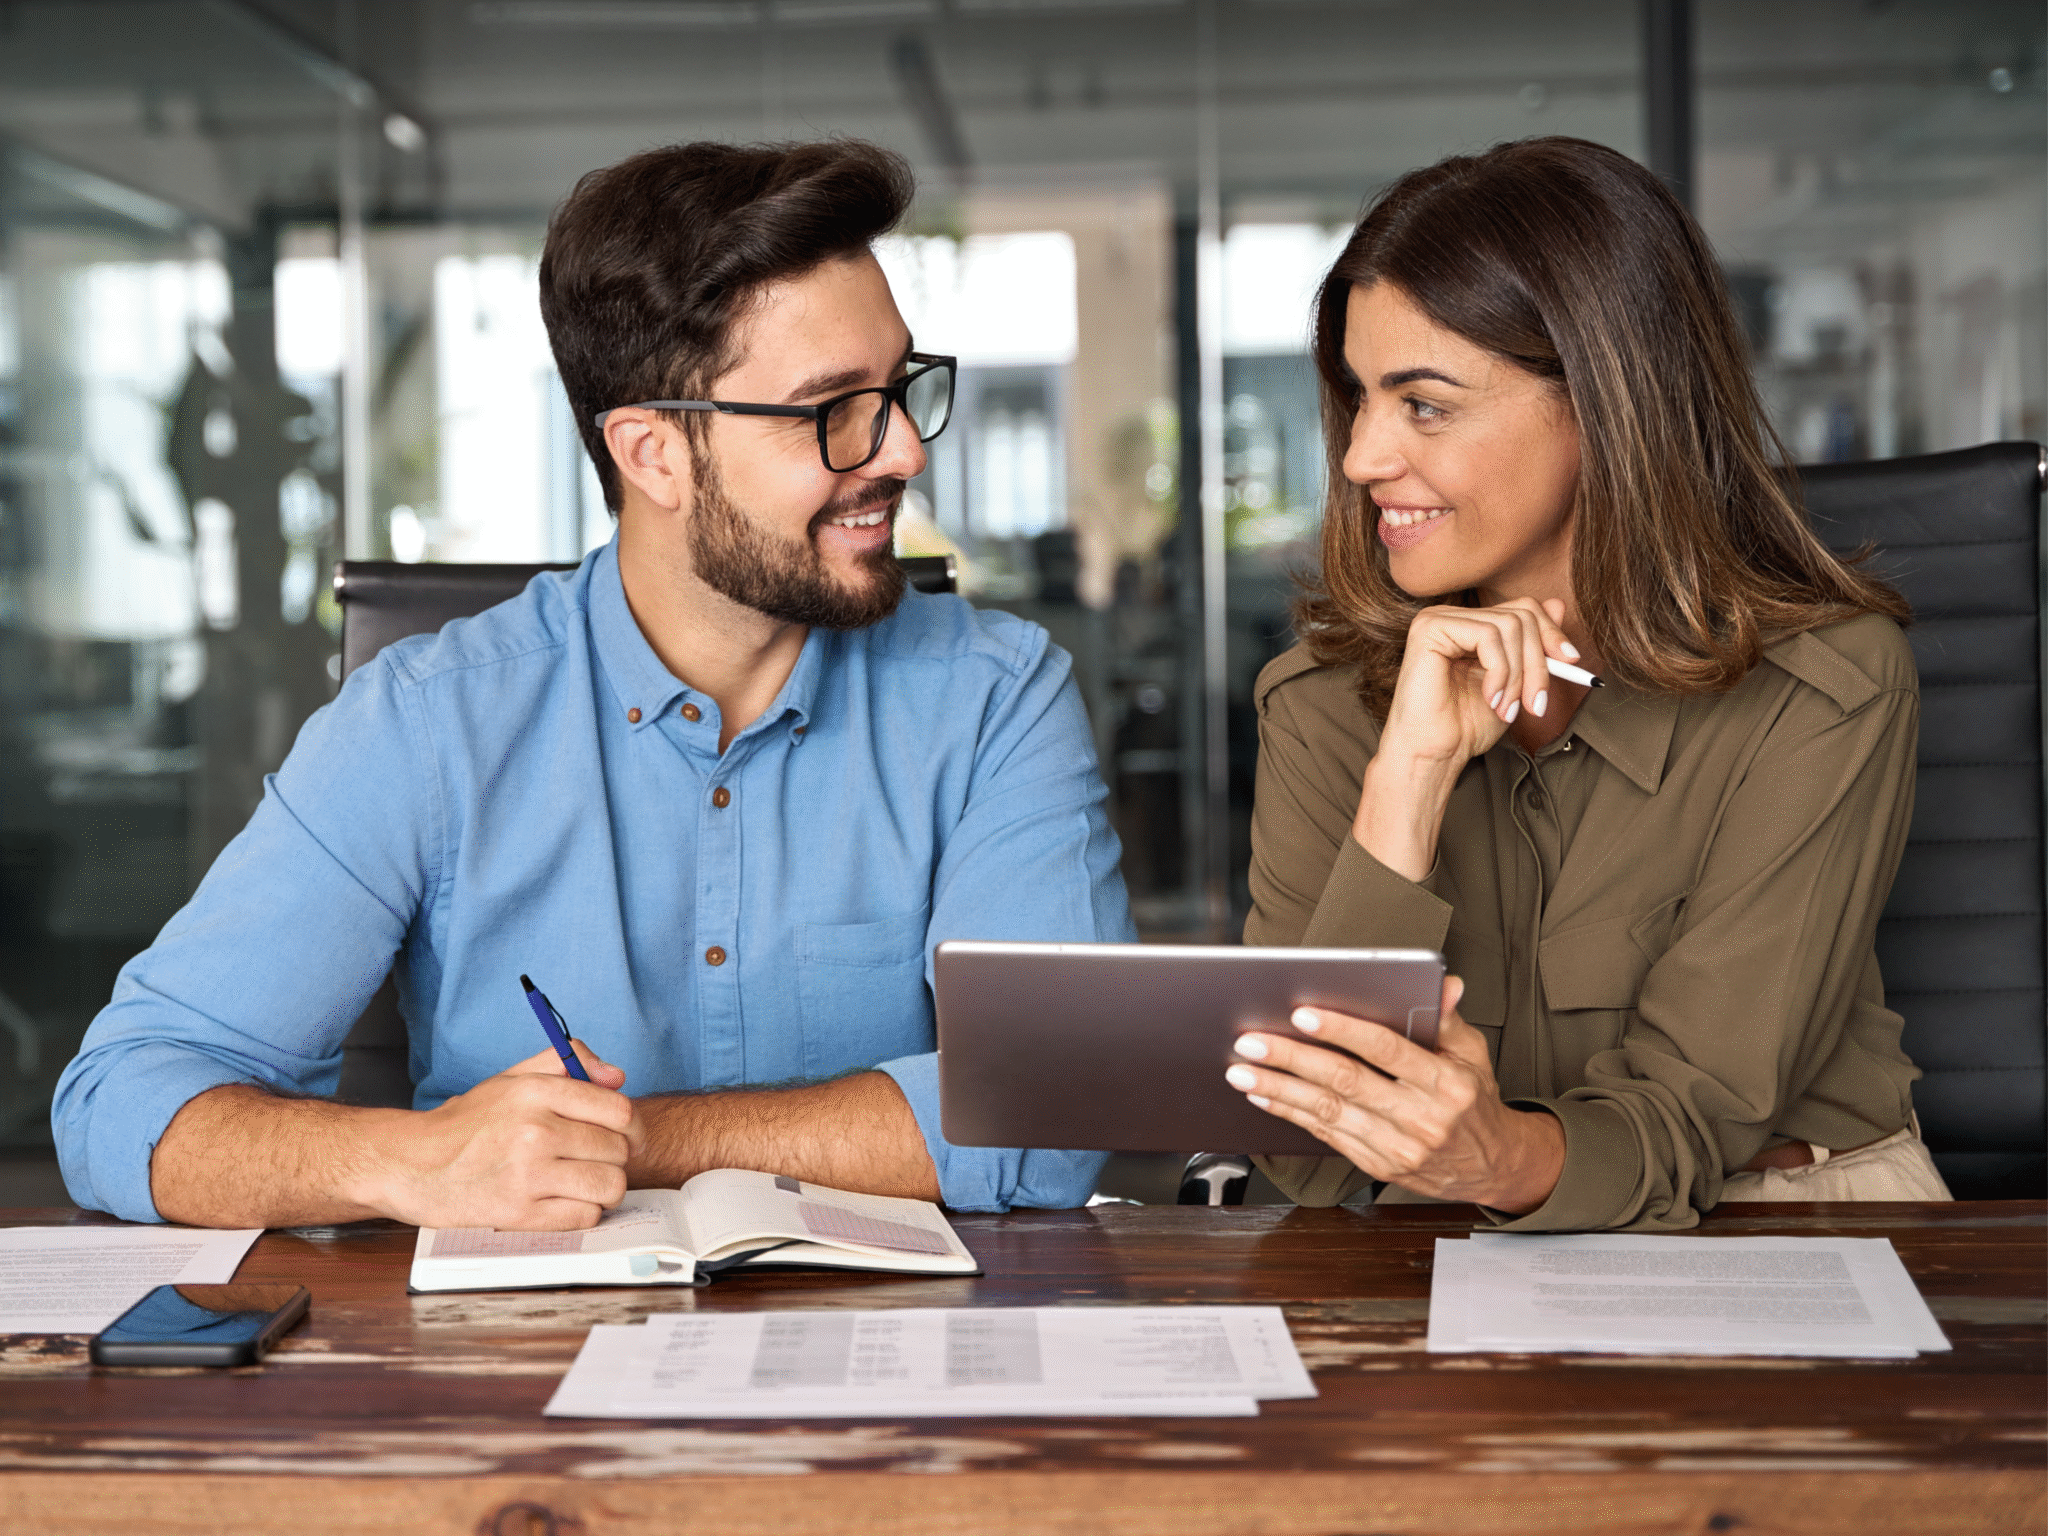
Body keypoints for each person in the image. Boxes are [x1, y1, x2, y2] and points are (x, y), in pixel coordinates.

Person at [54, 139, 1132, 1229]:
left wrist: (625, 1140)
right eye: (832, 410)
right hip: (518, 1368)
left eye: (898, 389)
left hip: (900, 1370)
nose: (901, 449)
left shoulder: (996, 697)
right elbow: (120, 1105)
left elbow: (1055, 1107)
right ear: (651, 453)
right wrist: (414, 1159)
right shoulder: (427, 724)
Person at [1221, 137, 1950, 1232]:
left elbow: (1695, 1115)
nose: (1362, 454)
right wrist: (1409, 777)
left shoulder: (1823, 688)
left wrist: (1491, 1155)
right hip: (1426, 1232)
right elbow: (1313, 1163)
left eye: (1421, 404)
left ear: (1604, 402)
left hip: (1787, 1211)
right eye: (1356, 397)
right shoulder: (1321, 702)